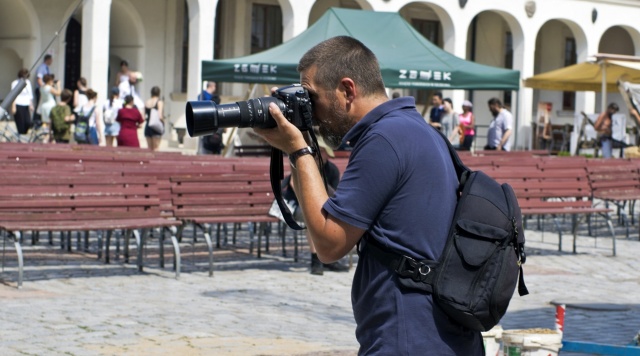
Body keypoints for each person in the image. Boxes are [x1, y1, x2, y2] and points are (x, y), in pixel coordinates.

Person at [254, 36, 482, 355]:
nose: (312, 113)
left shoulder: (384, 140)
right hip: (441, 337)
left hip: (407, 339)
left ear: (347, 90)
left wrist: (298, 150)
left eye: (312, 97)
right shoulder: (416, 129)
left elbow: (330, 244)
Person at [281, 135, 348, 275]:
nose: (318, 154)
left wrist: (322, 181)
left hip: (324, 207)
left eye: (322, 151)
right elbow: (294, 184)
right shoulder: (305, 164)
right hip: (296, 205)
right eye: (317, 151)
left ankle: (330, 258)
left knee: (330, 217)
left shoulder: (332, 170)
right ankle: (316, 260)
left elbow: (334, 194)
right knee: (312, 217)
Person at [11, 68, 34, 134]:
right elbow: (13, 95)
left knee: (28, 122)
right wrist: (13, 106)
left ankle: (24, 133)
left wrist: (31, 104)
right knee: (20, 122)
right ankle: (21, 135)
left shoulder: (28, 82)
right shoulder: (15, 83)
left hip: (26, 104)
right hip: (18, 103)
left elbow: (30, 94)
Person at [144, 86, 164, 151]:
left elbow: (144, 116)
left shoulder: (147, 102)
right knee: (156, 148)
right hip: (155, 126)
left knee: (149, 149)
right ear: (159, 93)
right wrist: (163, 122)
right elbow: (160, 115)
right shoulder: (159, 102)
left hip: (148, 125)